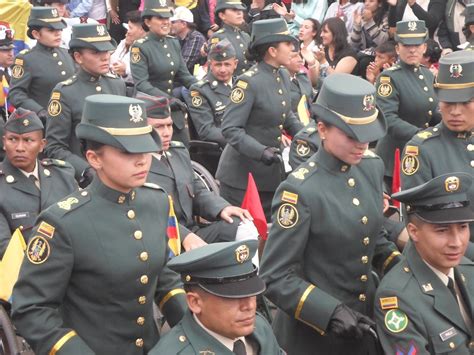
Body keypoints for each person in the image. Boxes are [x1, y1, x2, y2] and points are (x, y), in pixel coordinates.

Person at [12, 95, 187, 354]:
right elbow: (32, 309)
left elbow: (163, 275)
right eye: (128, 152)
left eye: (145, 149)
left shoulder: (157, 202)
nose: (142, 160)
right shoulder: (62, 222)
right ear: (94, 159)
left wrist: (193, 328)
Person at [259, 73, 401, 354]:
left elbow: (374, 237)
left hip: (366, 321)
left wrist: (401, 268)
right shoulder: (300, 190)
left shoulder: (370, 167)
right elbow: (275, 276)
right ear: (322, 129)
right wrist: (329, 311)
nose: (362, 145)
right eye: (351, 136)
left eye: (368, 135)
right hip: (316, 333)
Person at [141, 94, 259, 247]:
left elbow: (197, 190)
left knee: (244, 226)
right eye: (158, 127)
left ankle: (251, 272)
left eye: (169, 125)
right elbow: (148, 215)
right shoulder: (136, 164)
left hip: (193, 232)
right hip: (162, 241)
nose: (166, 133)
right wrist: (184, 236)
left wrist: (222, 208)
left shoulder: (178, 152)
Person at [375, 173, 474, 353]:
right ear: (413, 232)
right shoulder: (397, 297)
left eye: (462, 227)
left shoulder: (468, 270)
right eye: (442, 231)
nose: (457, 242)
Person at [216, 18, 303, 219]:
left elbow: (286, 112)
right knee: (247, 238)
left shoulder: (281, 74)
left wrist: (305, 133)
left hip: (270, 173)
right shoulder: (249, 82)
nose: (293, 49)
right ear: (272, 51)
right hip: (243, 178)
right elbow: (230, 129)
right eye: (287, 44)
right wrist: (261, 151)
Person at [149, 240, 284, 354]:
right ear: (195, 302)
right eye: (233, 297)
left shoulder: (260, 327)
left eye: (251, 294)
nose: (249, 306)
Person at [400, 50, 474, 260]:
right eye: (448, 102)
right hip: (449, 261)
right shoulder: (422, 148)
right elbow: (420, 222)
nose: (455, 111)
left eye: (466, 102)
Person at [44, 23, 126, 182]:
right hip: (86, 178)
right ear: (78, 57)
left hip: (118, 171)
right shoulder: (65, 92)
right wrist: (85, 170)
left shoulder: (117, 84)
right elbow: (54, 147)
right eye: (96, 52)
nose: (105, 57)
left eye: (106, 51)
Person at [0, 108, 77, 258]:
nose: (19, 148)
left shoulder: (63, 175)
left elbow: (82, 227)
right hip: (23, 273)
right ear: (4, 142)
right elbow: (5, 249)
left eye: (28, 140)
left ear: (42, 145)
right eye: (13, 139)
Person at [374, 20, 440, 189]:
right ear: (397, 49)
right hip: (396, 156)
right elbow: (388, 119)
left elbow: (433, 112)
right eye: (406, 45)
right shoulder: (388, 77)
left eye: (417, 45)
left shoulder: (427, 75)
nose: (412, 49)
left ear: (424, 48)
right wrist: (423, 135)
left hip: (424, 154)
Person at [130, 0, 197, 146]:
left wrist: (204, 87)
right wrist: (168, 100)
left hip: (172, 109)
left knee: (183, 149)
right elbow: (141, 84)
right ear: (147, 21)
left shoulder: (173, 42)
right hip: (151, 110)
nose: (166, 22)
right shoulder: (140, 47)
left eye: (167, 18)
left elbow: (184, 75)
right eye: (160, 18)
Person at [8, 7, 75, 124]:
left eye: (59, 29)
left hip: (71, 121)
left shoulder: (66, 54)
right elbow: (16, 94)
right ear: (36, 34)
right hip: (44, 124)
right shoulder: (26, 59)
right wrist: (39, 112)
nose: (57, 33)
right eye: (51, 30)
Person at [185, 39, 237, 148]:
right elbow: (206, 131)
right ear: (210, 65)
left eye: (227, 64)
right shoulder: (200, 91)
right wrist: (241, 140)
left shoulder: (242, 85)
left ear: (235, 64)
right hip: (225, 149)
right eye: (218, 65)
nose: (223, 70)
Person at [209, 0, 252, 75]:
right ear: (222, 15)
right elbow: (215, 69)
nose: (239, 13)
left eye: (240, 10)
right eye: (234, 10)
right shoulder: (219, 37)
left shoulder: (246, 36)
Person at [110, 10, 147, 84]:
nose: (127, 32)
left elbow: (144, 76)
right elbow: (112, 60)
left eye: (130, 28)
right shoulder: (125, 42)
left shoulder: (148, 48)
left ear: (142, 30)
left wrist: (125, 71)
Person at [170, 6, 207, 74]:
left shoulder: (196, 38)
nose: (170, 25)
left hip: (190, 81)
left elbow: (184, 66)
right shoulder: (177, 38)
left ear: (184, 24)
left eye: (173, 22)